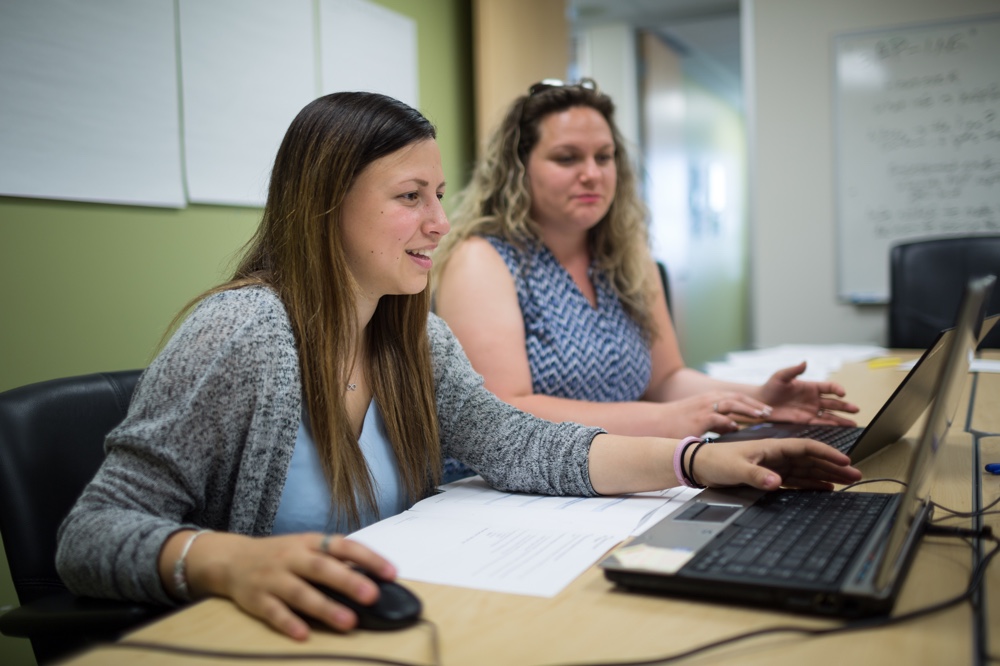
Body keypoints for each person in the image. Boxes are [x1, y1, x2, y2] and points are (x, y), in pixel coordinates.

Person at [56, 91, 861, 642]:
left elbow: (522, 442)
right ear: (324, 205)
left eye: (440, 194)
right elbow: (90, 535)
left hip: (393, 627)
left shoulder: (411, 332)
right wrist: (227, 560)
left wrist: (700, 460)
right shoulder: (241, 333)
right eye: (411, 197)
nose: (441, 223)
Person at [433, 78, 860, 451]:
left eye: (604, 157)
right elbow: (506, 408)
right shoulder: (481, 261)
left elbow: (667, 379)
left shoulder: (626, 256)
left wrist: (764, 401)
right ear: (518, 169)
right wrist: (665, 420)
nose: (592, 174)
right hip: (515, 482)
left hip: (620, 466)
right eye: (567, 158)